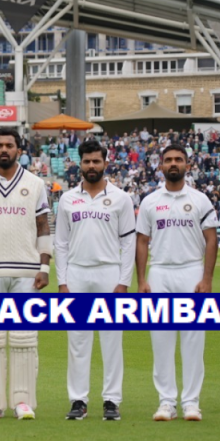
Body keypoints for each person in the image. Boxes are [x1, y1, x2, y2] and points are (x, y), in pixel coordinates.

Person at [0, 129, 51, 420]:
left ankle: (23, 402)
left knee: (24, 336)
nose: (4, 149)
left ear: (19, 149)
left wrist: (44, 266)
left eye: (9, 145)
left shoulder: (36, 183)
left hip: (26, 269)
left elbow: (43, 228)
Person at [135, 144, 218, 422]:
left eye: (178, 160)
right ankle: (166, 402)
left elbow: (211, 240)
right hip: (160, 272)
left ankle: (191, 402)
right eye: (168, 160)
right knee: (161, 340)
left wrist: (207, 279)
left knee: (193, 340)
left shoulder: (200, 199)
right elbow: (142, 242)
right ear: (160, 166)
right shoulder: (149, 201)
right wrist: (142, 279)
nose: (173, 164)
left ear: (187, 165)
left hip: (192, 271)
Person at [55, 140, 136, 421]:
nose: (92, 166)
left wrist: (124, 282)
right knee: (77, 340)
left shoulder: (121, 198)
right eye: (87, 161)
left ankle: (111, 400)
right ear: (80, 163)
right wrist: (62, 282)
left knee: (112, 340)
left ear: (106, 162)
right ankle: (78, 400)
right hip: (76, 273)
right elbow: (61, 243)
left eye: (96, 161)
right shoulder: (67, 198)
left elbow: (128, 243)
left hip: (108, 273)